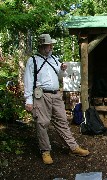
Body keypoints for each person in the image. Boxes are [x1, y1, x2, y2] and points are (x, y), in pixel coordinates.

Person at [24, 34, 89, 165]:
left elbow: (61, 77)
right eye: (49, 45)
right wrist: (28, 100)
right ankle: (45, 151)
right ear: (43, 46)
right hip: (41, 96)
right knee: (42, 123)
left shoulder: (54, 59)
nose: (51, 47)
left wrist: (63, 70)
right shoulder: (33, 60)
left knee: (62, 121)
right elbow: (28, 80)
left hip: (56, 94)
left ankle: (73, 147)